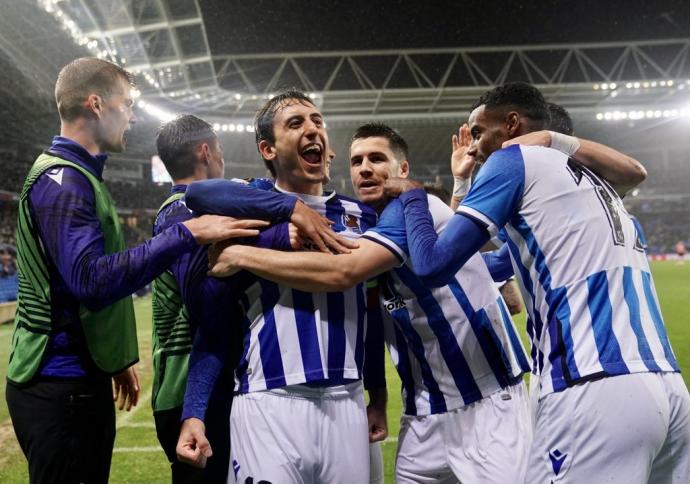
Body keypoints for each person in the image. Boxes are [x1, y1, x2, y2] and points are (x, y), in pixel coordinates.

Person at [385, 82, 690, 482]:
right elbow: (480, 267)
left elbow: (433, 265)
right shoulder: (595, 188)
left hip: (592, 383)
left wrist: (414, 197)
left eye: (478, 132)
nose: (474, 148)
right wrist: (463, 185)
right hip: (667, 391)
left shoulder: (514, 159)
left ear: (512, 125)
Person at [208, 122, 533, 482]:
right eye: (357, 161)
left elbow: (342, 272)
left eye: (377, 159)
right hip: (423, 410)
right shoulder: (373, 227)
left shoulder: (416, 204)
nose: (365, 168)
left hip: (486, 405)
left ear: (403, 170)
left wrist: (240, 255)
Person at [4, 57, 261, 484]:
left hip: (76, 377)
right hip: (59, 384)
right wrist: (187, 235)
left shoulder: (77, 177)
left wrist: (112, 358)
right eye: (126, 104)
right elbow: (91, 280)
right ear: (96, 104)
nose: (133, 114)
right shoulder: (64, 182)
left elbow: (75, 285)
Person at [176, 89, 385, 484]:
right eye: (296, 123)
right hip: (268, 401)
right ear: (268, 149)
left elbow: (371, 313)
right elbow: (197, 193)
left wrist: (378, 394)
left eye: (317, 122)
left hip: (348, 402)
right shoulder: (249, 209)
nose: (312, 130)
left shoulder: (363, 217)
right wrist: (194, 410)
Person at [152, 115, 273, 482]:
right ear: (205, 152)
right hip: (192, 392)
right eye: (219, 151)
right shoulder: (184, 215)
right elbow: (206, 305)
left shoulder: (182, 211)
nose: (223, 160)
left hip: (196, 388)